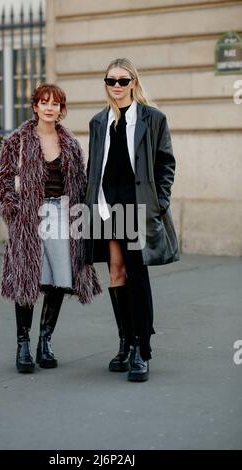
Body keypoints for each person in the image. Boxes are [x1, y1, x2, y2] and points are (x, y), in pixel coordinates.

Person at [84, 58, 179, 382]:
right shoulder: (99, 122)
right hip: (107, 205)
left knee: (136, 273)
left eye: (123, 81)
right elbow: (94, 167)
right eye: (111, 80)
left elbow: (166, 163)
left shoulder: (153, 119)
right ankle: (124, 341)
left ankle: (142, 348)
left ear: (134, 83)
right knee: (116, 271)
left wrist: (159, 202)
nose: (117, 86)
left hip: (137, 204)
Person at [0, 83, 101, 373]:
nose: (50, 107)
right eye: (44, 102)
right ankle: (23, 345)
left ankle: (45, 341)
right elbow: (4, 181)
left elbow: (79, 182)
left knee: (59, 278)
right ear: (35, 106)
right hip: (30, 217)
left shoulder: (69, 143)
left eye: (55, 103)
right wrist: (13, 211)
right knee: (27, 279)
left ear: (61, 109)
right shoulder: (16, 141)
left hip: (63, 215)